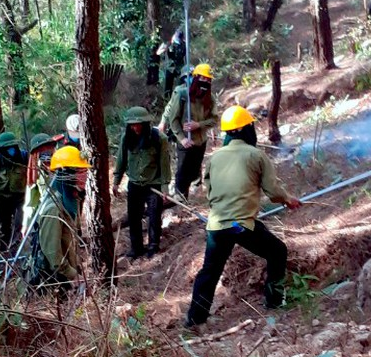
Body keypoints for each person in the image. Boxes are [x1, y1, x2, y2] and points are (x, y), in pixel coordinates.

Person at [185, 106, 301, 327]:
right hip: (240, 225)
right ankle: (275, 301)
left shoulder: (215, 157)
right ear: (247, 129)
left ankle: (194, 319)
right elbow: (273, 191)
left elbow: (209, 192)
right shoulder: (256, 155)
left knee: (210, 271)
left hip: (217, 226)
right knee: (277, 251)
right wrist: (289, 200)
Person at [26, 146, 88, 294]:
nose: (85, 176)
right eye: (81, 172)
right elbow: (52, 253)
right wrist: (73, 275)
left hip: (64, 274)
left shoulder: (72, 199)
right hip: (50, 281)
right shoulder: (53, 208)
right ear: (68, 174)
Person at [112, 107, 172, 259]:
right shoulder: (126, 138)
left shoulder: (160, 138)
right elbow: (121, 160)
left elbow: (165, 164)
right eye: (132, 125)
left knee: (154, 216)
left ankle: (153, 246)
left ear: (146, 124)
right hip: (134, 184)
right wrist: (116, 182)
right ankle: (136, 247)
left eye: (138, 124)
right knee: (134, 217)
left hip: (153, 184)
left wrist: (165, 187)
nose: (135, 128)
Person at [164, 63, 219, 199]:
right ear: (195, 77)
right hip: (185, 142)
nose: (205, 82)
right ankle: (179, 198)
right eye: (202, 78)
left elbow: (214, 119)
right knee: (182, 172)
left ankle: (188, 195)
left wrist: (198, 125)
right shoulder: (182, 94)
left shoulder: (209, 98)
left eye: (208, 80)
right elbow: (174, 119)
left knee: (194, 172)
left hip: (200, 142)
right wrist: (182, 138)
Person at [0, 131, 28, 253]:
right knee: (4, 226)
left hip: (21, 197)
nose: (10, 150)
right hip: (2, 198)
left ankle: (15, 248)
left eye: (12, 147)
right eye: (6, 148)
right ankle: (4, 251)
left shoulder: (24, 157)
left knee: (20, 223)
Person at [22, 132, 60, 238]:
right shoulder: (36, 172)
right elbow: (30, 203)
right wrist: (26, 224)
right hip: (46, 217)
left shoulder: (63, 165)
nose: (46, 152)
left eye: (47, 148)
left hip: (64, 215)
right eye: (41, 150)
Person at [158, 29, 187, 99]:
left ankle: (180, 99)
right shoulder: (168, 44)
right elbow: (158, 52)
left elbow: (185, 57)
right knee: (168, 87)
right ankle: (167, 100)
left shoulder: (184, 44)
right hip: (170, 68)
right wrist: (165, 47)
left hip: (179, 67)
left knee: (181, 85)